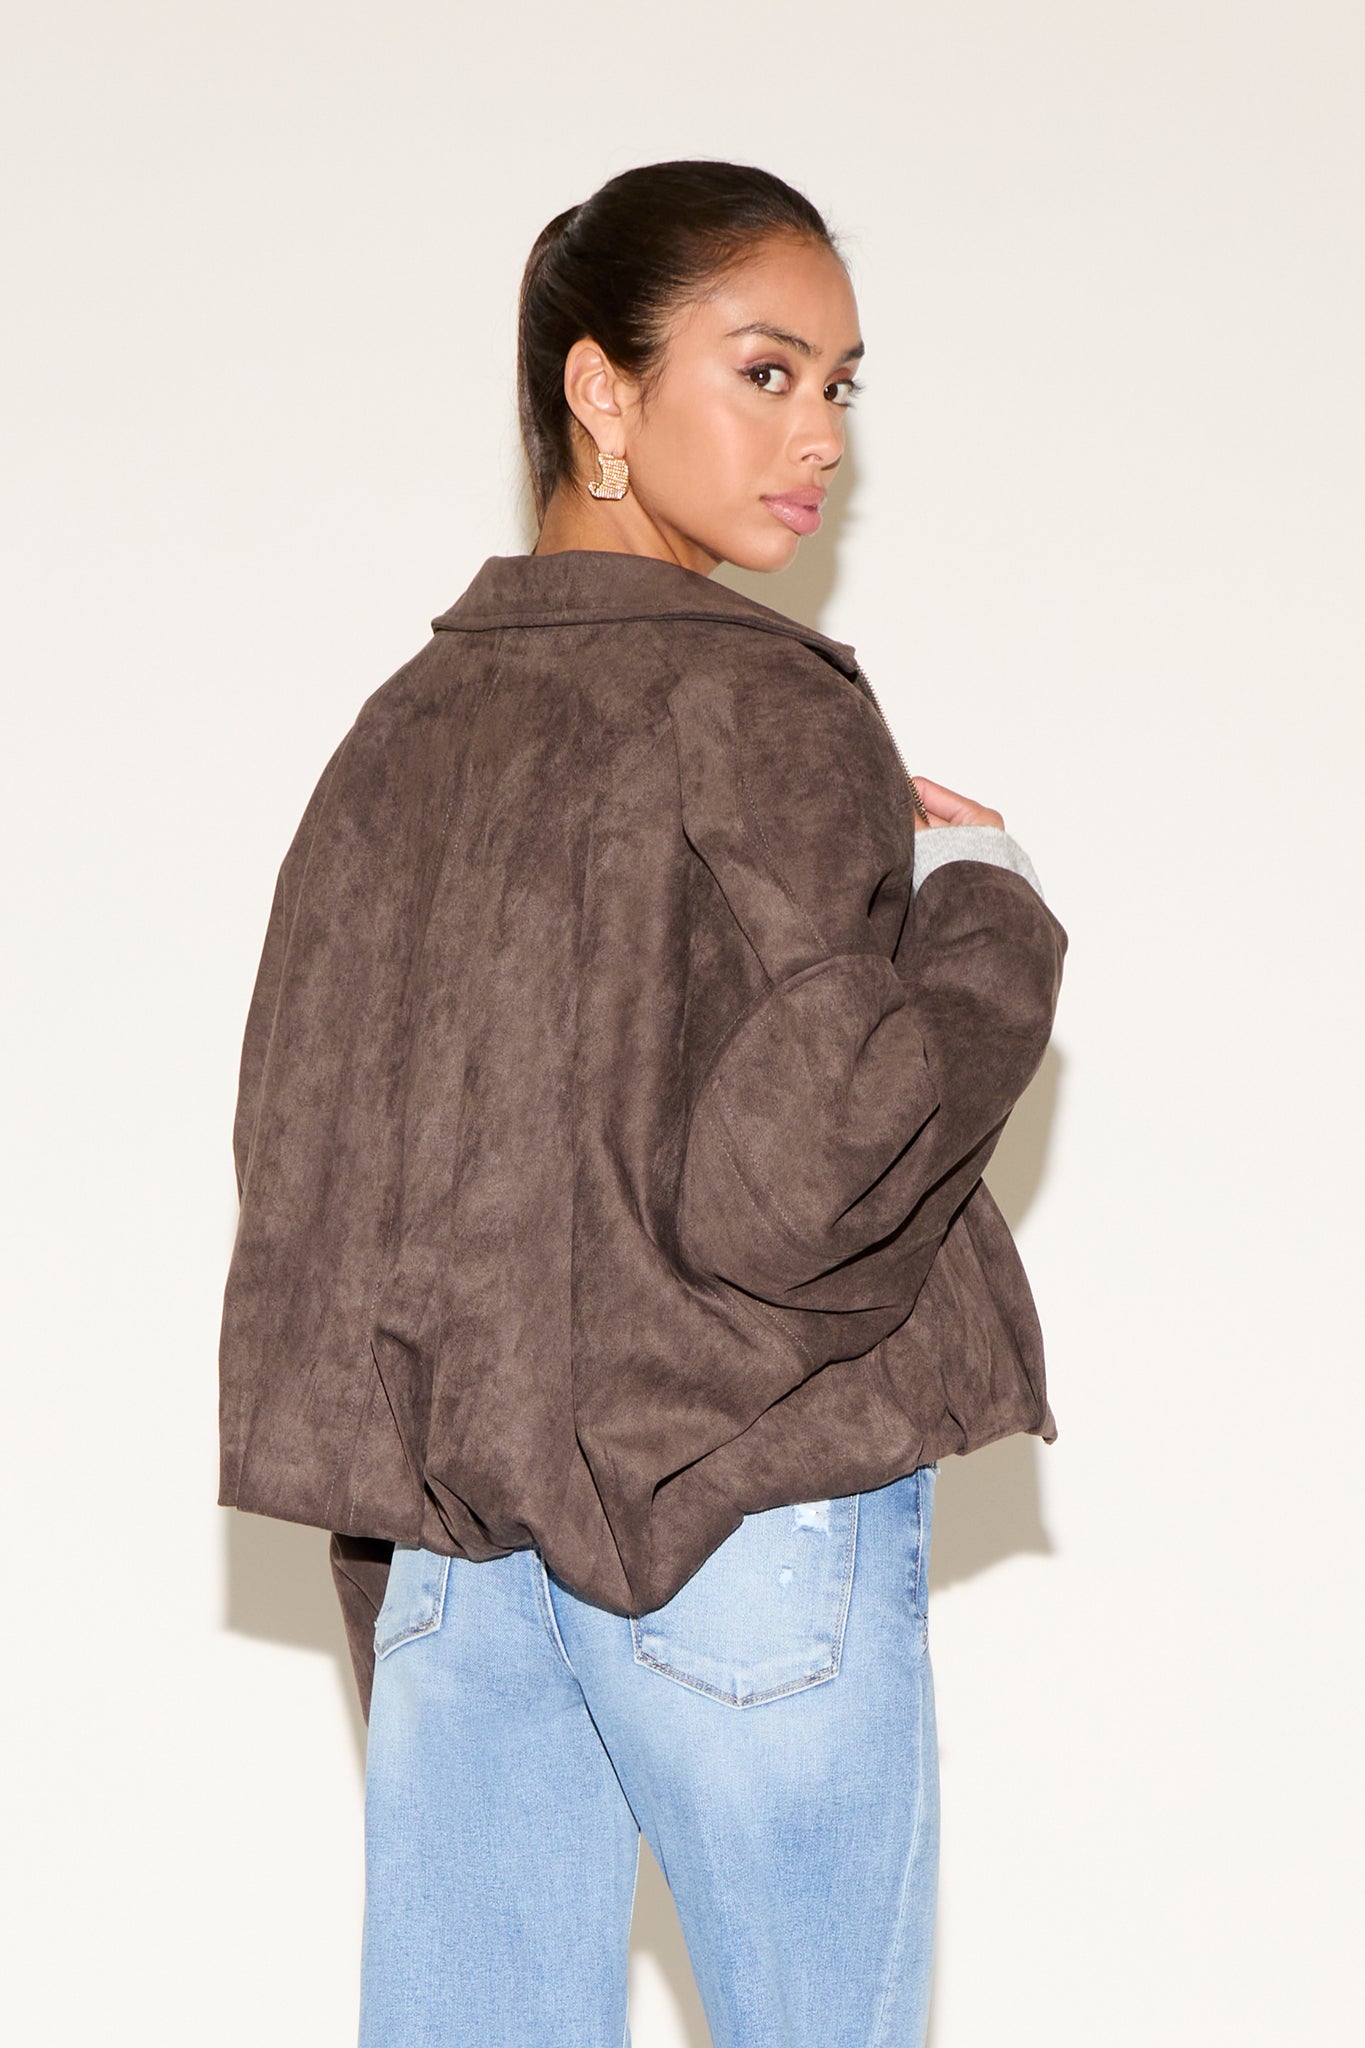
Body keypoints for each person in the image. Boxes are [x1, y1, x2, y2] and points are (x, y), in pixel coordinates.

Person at [218, 159, 1069, 2048]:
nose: (819, 434)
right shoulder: (765, 702)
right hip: (736, 1511)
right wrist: (986, 908)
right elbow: (819, 1172)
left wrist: (400, 1548)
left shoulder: (395, 734)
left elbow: (306, 1177)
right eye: (764, 373)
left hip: (465, 1536)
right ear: (600, 391)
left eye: (838, 384)